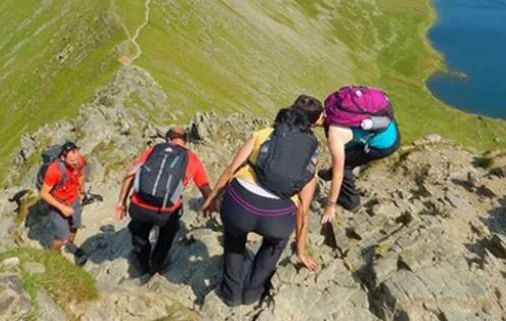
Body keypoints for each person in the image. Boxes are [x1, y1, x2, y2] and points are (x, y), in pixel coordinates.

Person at [200, 106, 323, 307]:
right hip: (278, 216)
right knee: (275, 244)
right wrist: (301, 250)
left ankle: (231, 294)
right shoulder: (310, 154)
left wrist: (211, 198)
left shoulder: (264, 134)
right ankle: (252, 293)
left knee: (234, 237)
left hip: (240, 203)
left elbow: (231, 169)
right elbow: (304, 208)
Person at [115, 127, 212, 275]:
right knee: (167, 234)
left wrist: (121, 202)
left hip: (139, 206)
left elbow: (130, 173)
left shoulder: (154, 150)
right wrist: (213, 206)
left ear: (167, 139)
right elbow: (205, 188)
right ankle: (156, 266)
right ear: (186, 142)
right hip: (167, 212)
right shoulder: (192, 158)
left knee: (140, 233)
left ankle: (142, 262)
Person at [317, 86, 400, 223]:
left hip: (384, 145)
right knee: (345, 155)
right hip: (390, 128)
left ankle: (350, 202)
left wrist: (330, 206)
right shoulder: (335, 107)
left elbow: (340, 172)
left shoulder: (334, 133)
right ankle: (328, 174)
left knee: (345, 164)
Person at [39, 141, 88, 257]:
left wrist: (82, 191)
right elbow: (44, 193)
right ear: (63, 158)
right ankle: (53, 255)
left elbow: (80, 175)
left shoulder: (79, 160)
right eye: (71, 161)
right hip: (59, 203)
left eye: (76, 159)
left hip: (74, 199)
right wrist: (63, 208)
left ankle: (70, 244)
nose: (75, 163)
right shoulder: (54, 170)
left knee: (75, 225)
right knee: (62, 238)